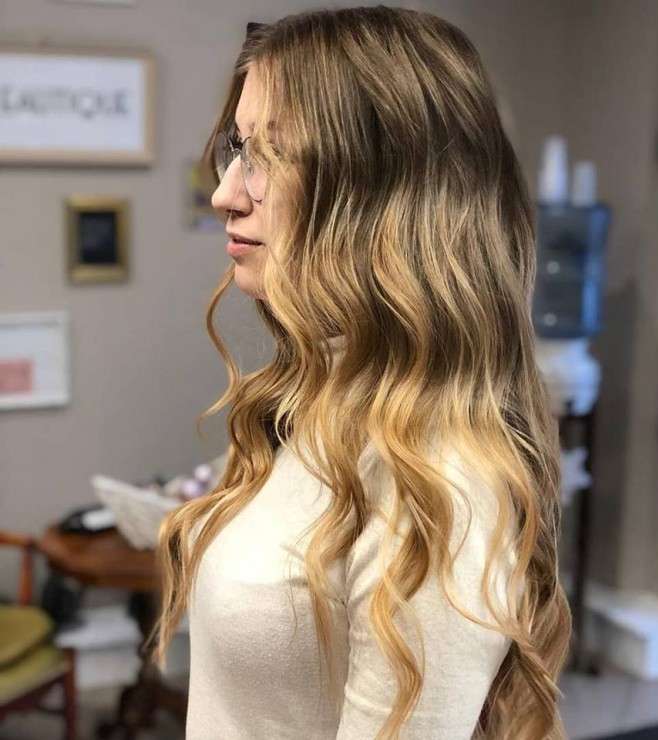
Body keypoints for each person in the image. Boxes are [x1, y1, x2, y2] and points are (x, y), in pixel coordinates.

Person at [152, 6, 571, 739]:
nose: (224, 194)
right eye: (236, 149)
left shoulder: (439, 480)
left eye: (267, 155)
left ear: (384, 191)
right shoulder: (325, 394)